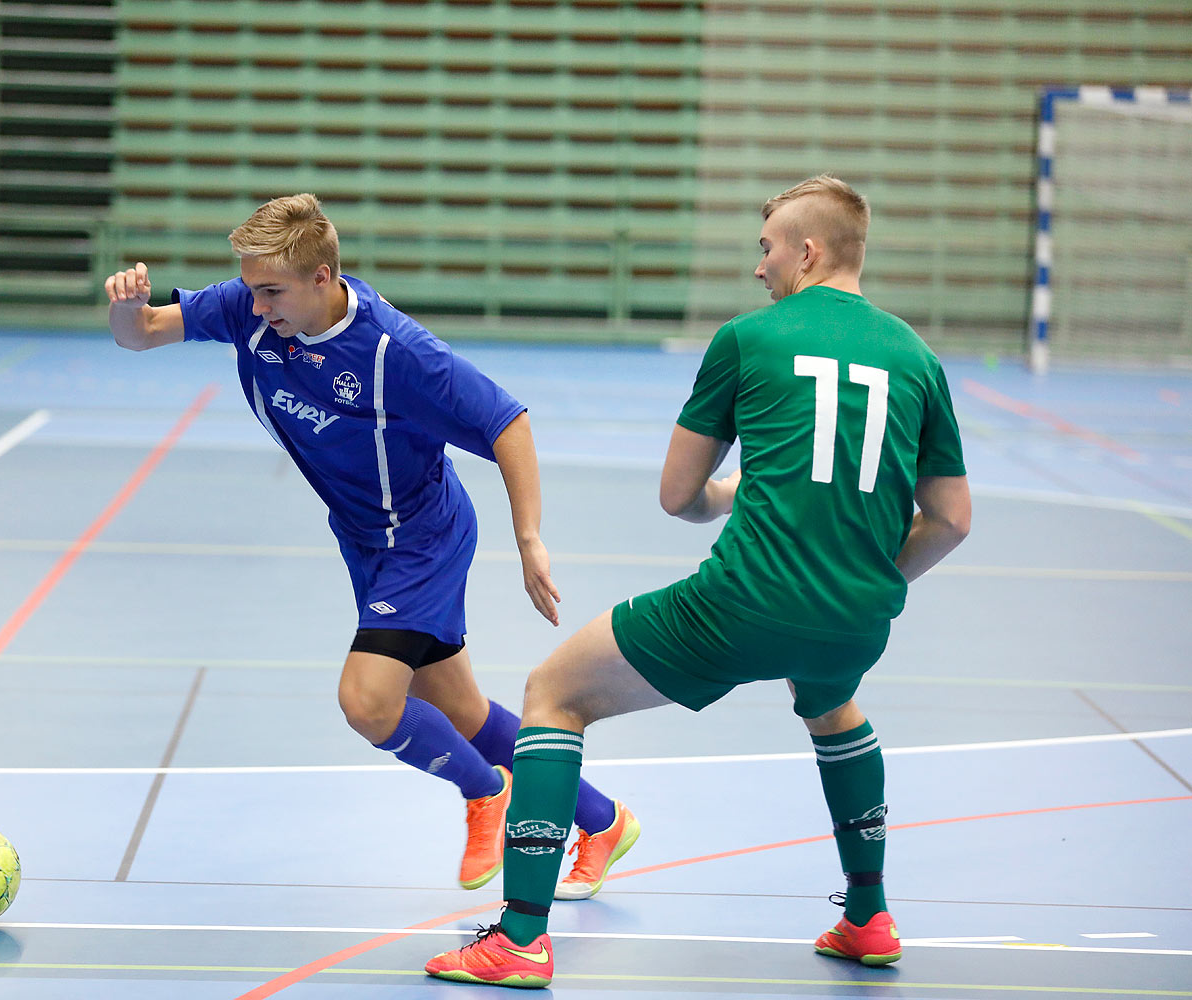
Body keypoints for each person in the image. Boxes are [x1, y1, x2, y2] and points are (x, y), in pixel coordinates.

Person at [425, 174, 972, 988]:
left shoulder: (749, 340)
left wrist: (725, 495)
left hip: (742, 603)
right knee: (831, 703)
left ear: (809, 251)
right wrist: (866, 579)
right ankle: (869, 916)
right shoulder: (918, 358)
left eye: (769, 248)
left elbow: (678, 495)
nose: (761, 268)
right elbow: (953, 518)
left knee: (553, 693)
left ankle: (520, 937)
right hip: (858, 616)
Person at [104, 194, 639, 896]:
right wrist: (125, 305)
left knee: (368, 702)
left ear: (322, 277)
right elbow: (141, 332)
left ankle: (487, 793)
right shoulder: (250, 307)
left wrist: (529, 537)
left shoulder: (396, 353)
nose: (254, 305)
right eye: (251, 288)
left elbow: (509, 422)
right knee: (462, 713)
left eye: (271, 291)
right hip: (363, 538)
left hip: (423, 539)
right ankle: (604, 821)